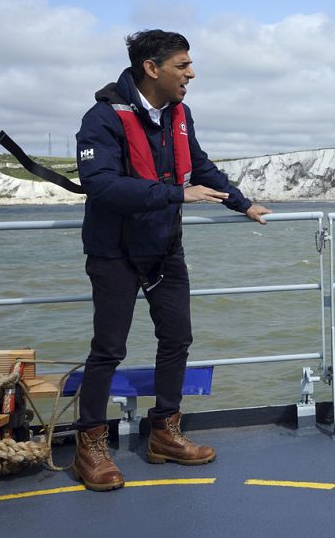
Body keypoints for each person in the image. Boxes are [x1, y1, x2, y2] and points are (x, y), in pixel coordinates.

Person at [72, 29, 271, 491]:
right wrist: (175, 193)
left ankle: (164, 431)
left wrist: (241, 203)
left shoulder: (179, 115)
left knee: (177, 339)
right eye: (182, 65)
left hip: (164, 248)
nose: (191, 73)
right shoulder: (101, 118)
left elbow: (199, 165)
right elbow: (100, 183)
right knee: (108, 350)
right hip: (114, 252)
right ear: (152, 68)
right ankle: (90, 445)